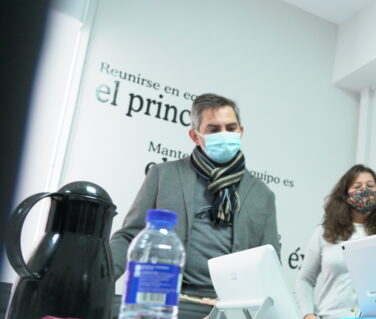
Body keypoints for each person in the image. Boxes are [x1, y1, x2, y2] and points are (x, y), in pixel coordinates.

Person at [110, 93, 281, 302]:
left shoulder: (262, 194)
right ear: (195, 136)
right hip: (164, 299)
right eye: (214, 129)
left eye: (231, 128)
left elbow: (269, 264)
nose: (224, 134)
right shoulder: (163, 175)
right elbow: (130, 236)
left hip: (226, 307)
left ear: (241, 131)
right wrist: (100, 277)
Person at [296, 164, 376, 319]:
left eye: (370, 186)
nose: (364, 190)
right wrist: (308, 316)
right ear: (345, 194)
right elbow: (305, 279)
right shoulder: (324, 232)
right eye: (357, 186)